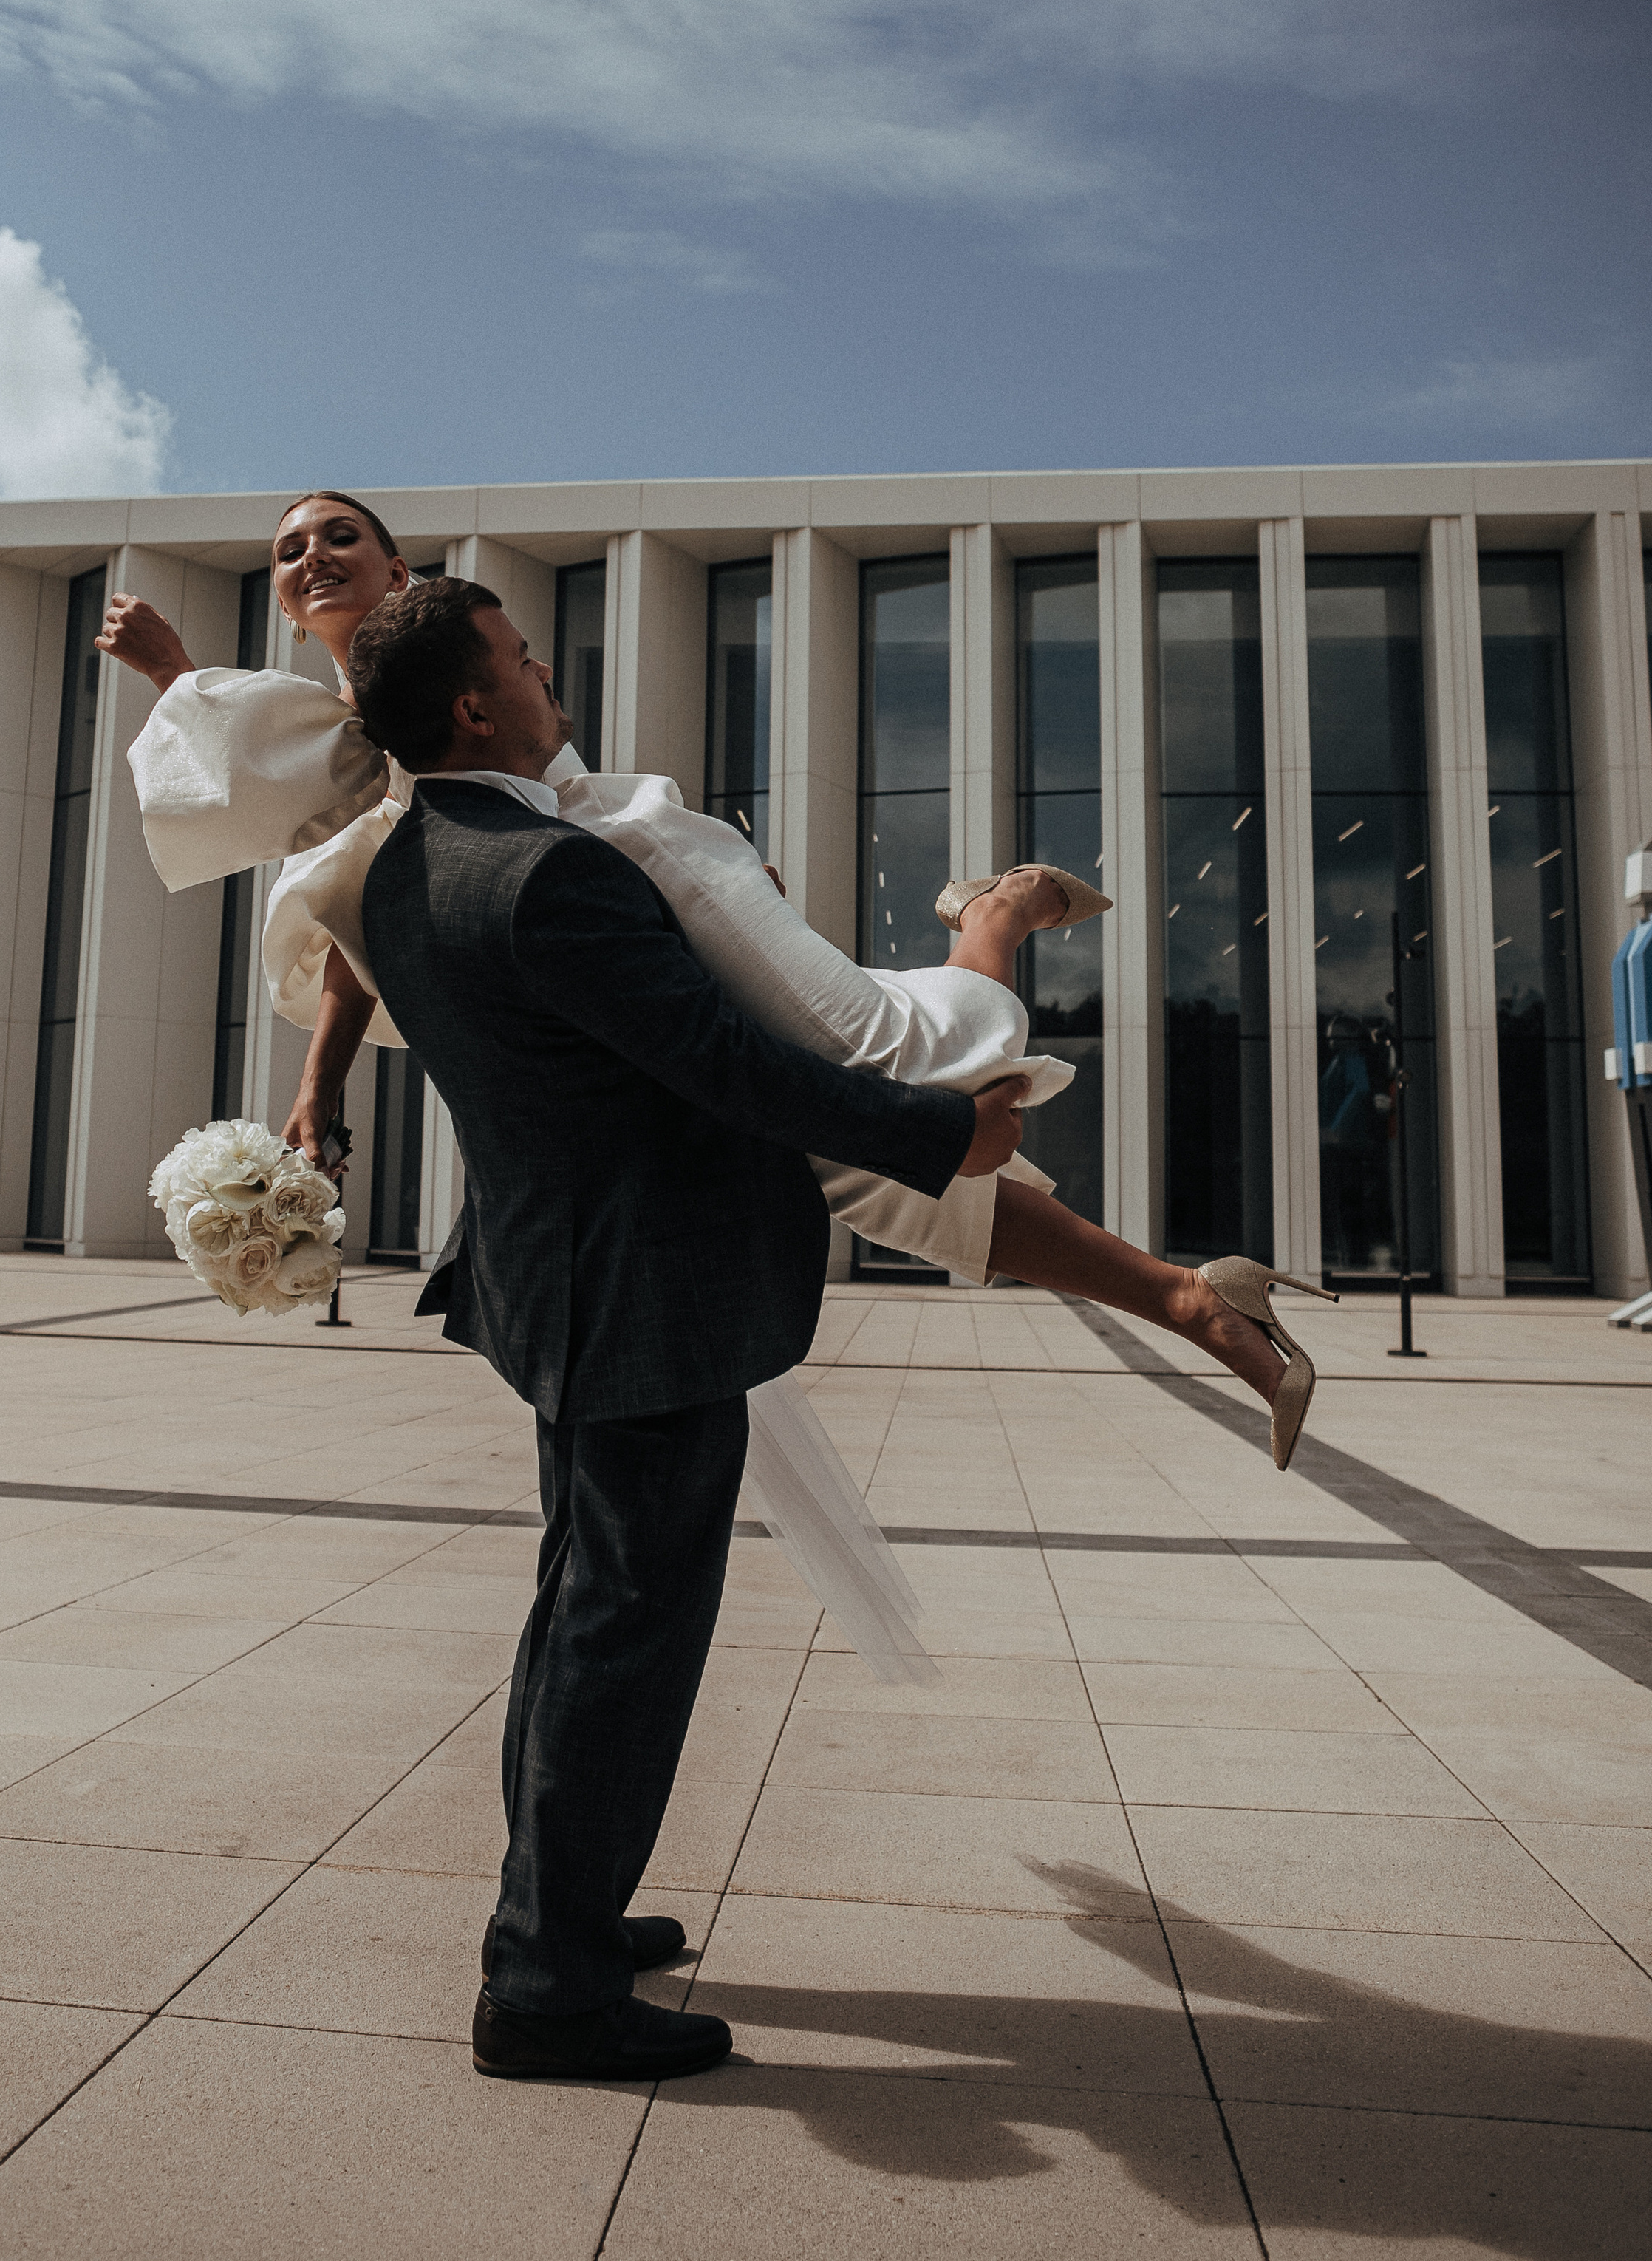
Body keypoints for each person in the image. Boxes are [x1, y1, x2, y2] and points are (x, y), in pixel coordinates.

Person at [102, 491, 1331, 1473]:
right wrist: (319, 1089)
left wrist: (178, 679)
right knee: (857, 1165)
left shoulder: (442, 686)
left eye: (339, 536)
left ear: (403, 572)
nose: (312, 555)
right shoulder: (335, 746)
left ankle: (995, 917)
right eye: (290, 549)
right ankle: (1188, 1297)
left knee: (903, 1069)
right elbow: (354, 930)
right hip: (580, 1032)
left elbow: (285, 770)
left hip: (632, 895)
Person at [349, 574, 1008, 2081]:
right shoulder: (549, 874)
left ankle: (561, 1909)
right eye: (522, 660)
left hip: (561, 1282)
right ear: (475, 706)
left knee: (579, 1606)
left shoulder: (405, 865)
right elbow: (725, 1062)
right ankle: (547, 1986)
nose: (546, 676)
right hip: (641, 1293)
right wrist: (938, 1133)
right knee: (622, 1630)